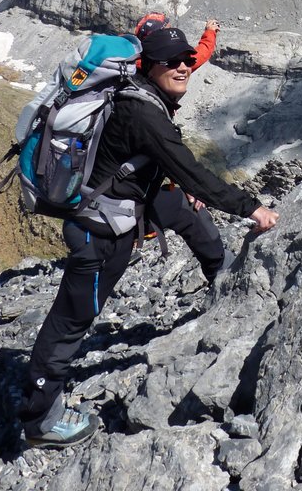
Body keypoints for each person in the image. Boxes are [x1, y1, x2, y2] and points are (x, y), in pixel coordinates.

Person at [19, 27, 278, 450]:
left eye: (187, 59)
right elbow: (192, 170)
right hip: (99, 234)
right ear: (149, 66)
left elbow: (162, 170)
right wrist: (252, 208)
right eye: (170, 61)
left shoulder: (137, 96)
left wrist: (180, 186)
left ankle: (222, 274)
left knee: (185, 210)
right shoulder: (145, 114)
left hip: (120, 210)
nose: (182, 66)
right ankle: (40, 418)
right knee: (72, 321)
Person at [134, 13, 220, 72]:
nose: (171, 33)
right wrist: (210, 32)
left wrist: (209, 32)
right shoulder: (164, 64)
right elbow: (199, 56)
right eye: (167, 31)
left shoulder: (136, 63)